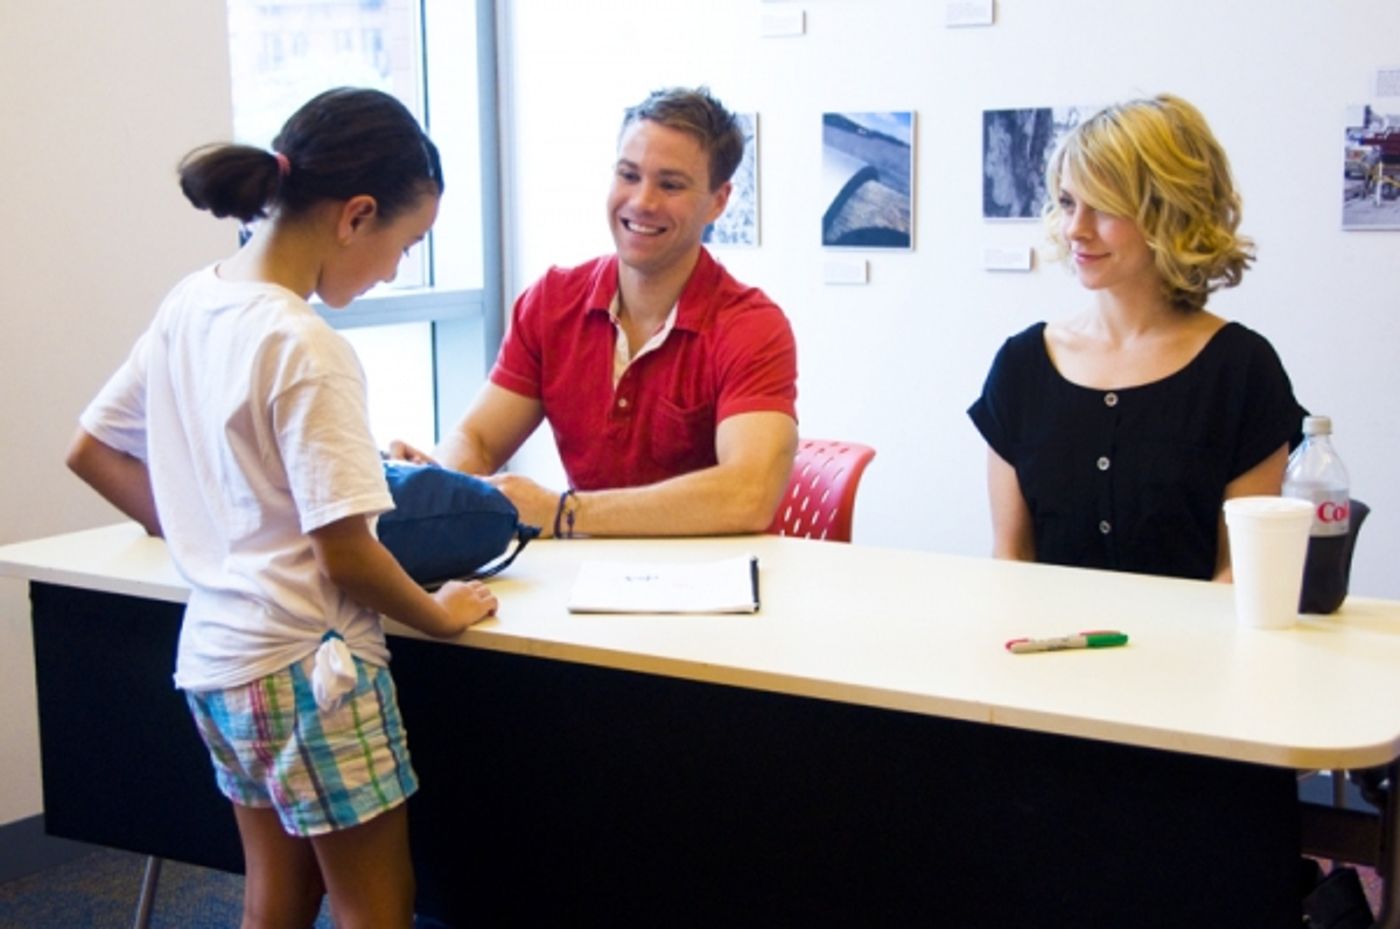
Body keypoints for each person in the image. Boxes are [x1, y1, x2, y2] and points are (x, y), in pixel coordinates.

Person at [65, 88, 498, 929]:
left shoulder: (192, 302)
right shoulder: (306, 345)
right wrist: (438, 616)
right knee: (377, 903)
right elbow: (347, 554)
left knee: (277, 893)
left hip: (219, 661)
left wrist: (203, 529)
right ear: (356, 215)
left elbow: (92, 450)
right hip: (312, 668)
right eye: (404, 245)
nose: (394, 272)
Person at [394, 86, 798, 538]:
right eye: (628, 175)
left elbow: (749, 495)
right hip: (586, 579)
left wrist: (564, 512)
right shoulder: (551, 301)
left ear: (719, 201)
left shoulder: (752, 326)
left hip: (718, 588)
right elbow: (479, 440)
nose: (642, 201)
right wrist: (433, 480)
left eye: (670, 184)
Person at [968, 94, 1305, 582]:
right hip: (1047, 649)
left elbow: (1239, 575)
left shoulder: (1243, 370)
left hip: (1196, 655)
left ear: (1171, 213)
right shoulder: (1022, 364)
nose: (1075, 230)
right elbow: (1011, 559)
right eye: (1067, 203)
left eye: (1104, 207)